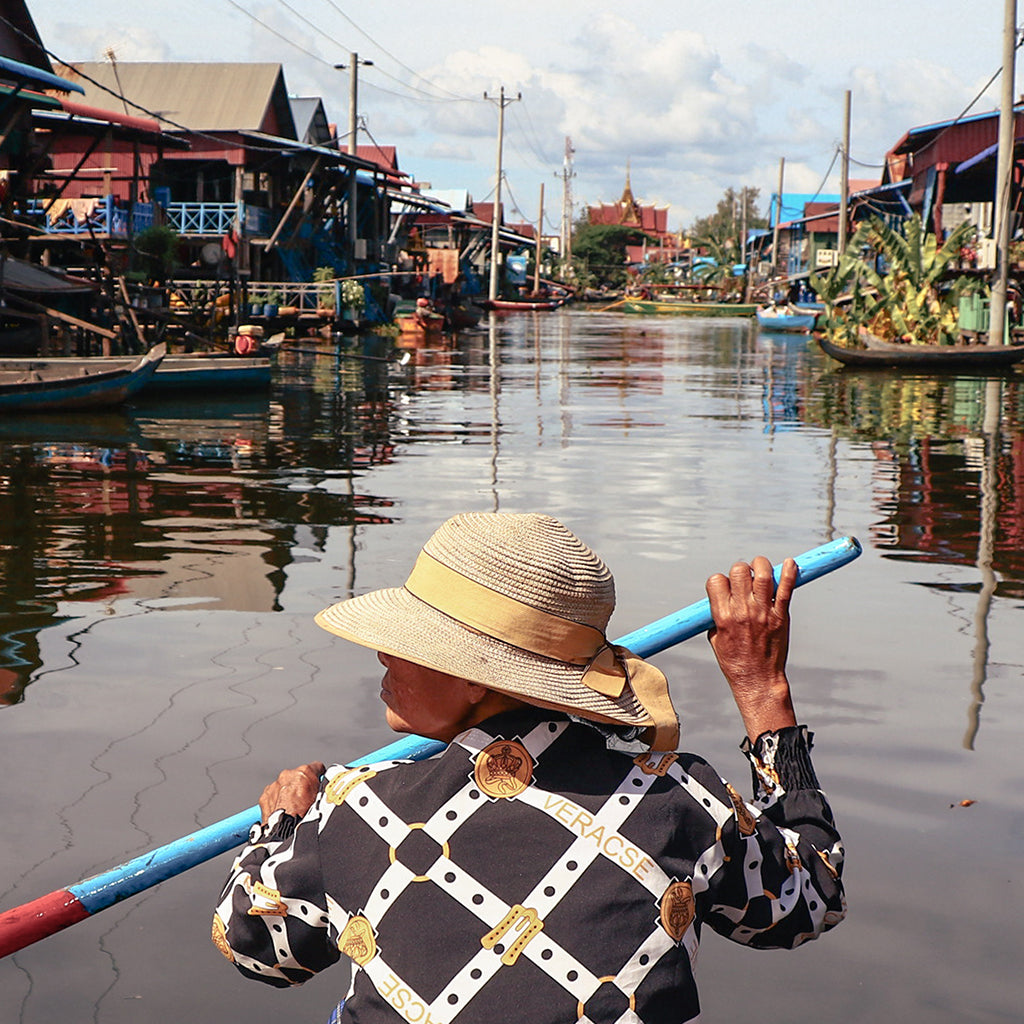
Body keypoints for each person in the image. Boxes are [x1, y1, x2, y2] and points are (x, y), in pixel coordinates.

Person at [213, 513, 845, 1024]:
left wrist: (279, 829)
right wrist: (762, 690)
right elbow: (809, 900)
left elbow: (255, 949)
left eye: (407, 644)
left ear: (470, 680)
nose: (383, 656)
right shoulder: (683, 796)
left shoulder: (348, 808)